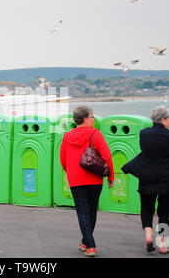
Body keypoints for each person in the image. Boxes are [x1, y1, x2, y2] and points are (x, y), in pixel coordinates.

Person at [122, 105, 169, 254]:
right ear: (163, 119)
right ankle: (163, 245)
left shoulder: (143, 134)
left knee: (146, 209)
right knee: (164, 212)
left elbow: (145, 152)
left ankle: (148, 236)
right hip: (168, 180)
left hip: (147, 178)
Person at [60, 106, 114, 257]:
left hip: (76, 179)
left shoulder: (67, 136)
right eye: (92, 117)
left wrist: (70, 172)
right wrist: (110, 176)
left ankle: (86, 242)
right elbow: (107, 156)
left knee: (83, 211)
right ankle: (91, 246)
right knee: (91, 210)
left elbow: (62, 160)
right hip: (95, 178)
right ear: (85, 119)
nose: (93, 119)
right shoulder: (95, 134)